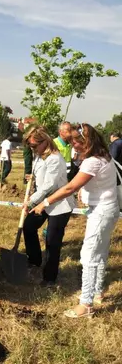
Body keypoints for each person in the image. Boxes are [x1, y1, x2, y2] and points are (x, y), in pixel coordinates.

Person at [32, 123, 120, 318]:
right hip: (107, 209)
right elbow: (91, 182)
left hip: (101, 213)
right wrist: (84, 190)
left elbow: (69, 188)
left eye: (76, 142)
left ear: (87, 141)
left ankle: (86, 304)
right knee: (100, 252)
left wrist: (45, 202)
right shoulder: (103, 155)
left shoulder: (92, 161)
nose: (73, 145)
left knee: (88, 255)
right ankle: (97, 292)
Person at [23, 126, 74, 287]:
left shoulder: (55, 159)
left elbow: (49, 186)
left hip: (59, 203)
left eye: (34, 145)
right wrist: (33, 176)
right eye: (30, 146)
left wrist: (31, 201)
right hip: (43, 201)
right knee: (29, 226)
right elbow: (41, 179)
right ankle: (34, 260)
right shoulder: (39, 156)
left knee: (52, 241)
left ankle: (50, 278)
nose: (33, 149)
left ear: (45, 141)